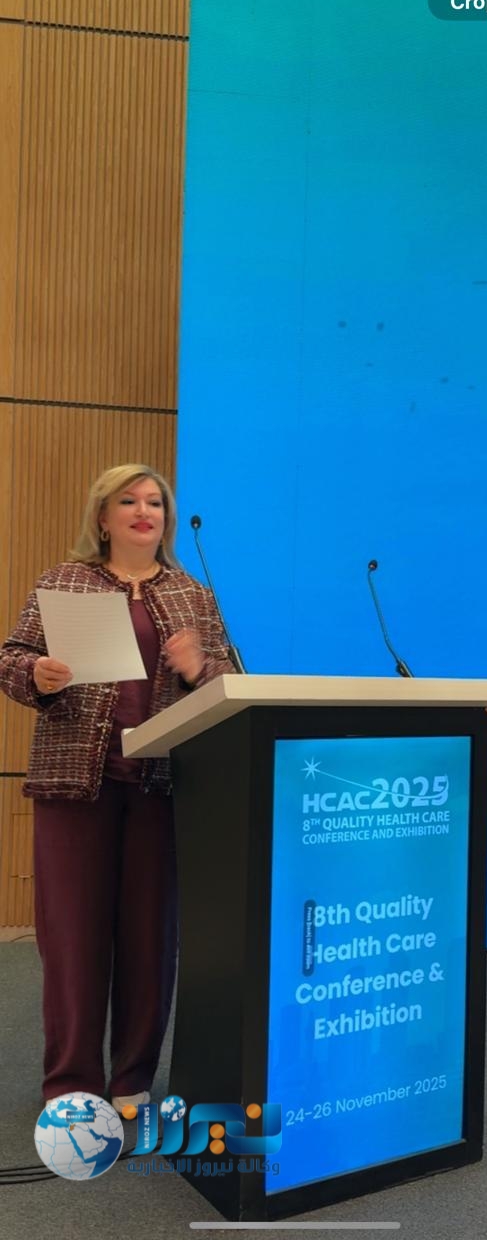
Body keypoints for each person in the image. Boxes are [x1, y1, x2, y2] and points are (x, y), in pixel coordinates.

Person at [0, 464, 236, 1112]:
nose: (143, 510)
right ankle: (71, 1084)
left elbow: (229, 681)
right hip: (75, 785)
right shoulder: (64, 581)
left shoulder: (193, 595)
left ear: (166, 519)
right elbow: (10, 657)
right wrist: (37, 674)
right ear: (102, 517)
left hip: (162, 786)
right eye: (128, 500)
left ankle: (132, 1079)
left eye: (155, 502)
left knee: (150, 943)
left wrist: (199, 667)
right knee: (72, 941)